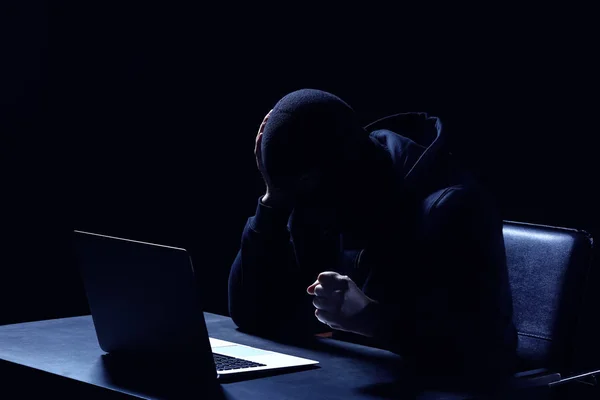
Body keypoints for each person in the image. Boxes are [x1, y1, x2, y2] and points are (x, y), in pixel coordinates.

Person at [228, 89, 518, 386]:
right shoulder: (322, 188)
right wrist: (272, 201)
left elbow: (490, 352)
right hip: (347, 382)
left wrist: (372, 319)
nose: (303, 211)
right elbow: (252, 313)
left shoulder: (452, 208)